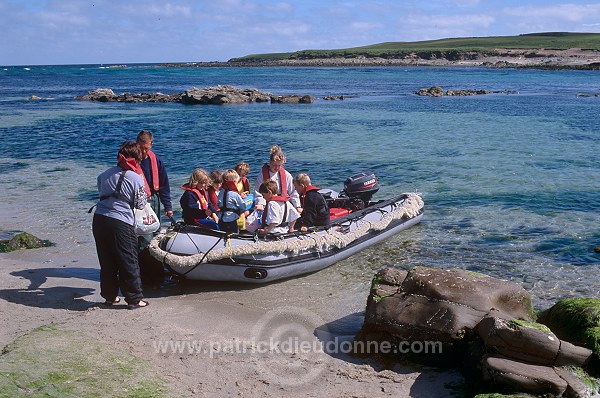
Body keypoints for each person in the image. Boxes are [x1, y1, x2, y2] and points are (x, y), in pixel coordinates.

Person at [92, 141, 149, 309]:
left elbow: (101, 192)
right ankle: (134, 298)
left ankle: (110, 297)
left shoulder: (104, 174)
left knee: (107, 260)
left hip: (100, 219)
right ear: (137, 159)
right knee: (128, 259)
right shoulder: (136, 178)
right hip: (120, 222)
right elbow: (140, 204)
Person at [136, 130, 173, 221]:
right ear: (137, 144)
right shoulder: (132, 162)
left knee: (155, 228)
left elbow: (164, 185)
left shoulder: (157, 160)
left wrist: (168, 206)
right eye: (141, 148)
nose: (143, 152)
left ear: (151, 144)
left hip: (154, 198)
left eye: (146, 148)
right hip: (138, 201)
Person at [253, 145, 300, 212]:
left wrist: (297, 206)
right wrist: (260, 204)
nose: (277, 168)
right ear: (270, 162)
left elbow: (293, 192)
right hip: (268, 205)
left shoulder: (287, 175)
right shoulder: (262, 175)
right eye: (274, 165)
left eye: (279, 165)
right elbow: (258, 192)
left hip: (283, 206)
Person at [217, 169, 249, 234]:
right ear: (234, 182)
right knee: (234, 234)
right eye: (237, 183)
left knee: (223, 233)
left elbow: (218, 203)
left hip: (221, 219)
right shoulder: (234, 194)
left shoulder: (221, 192)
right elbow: (243, 206)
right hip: (232, 220)